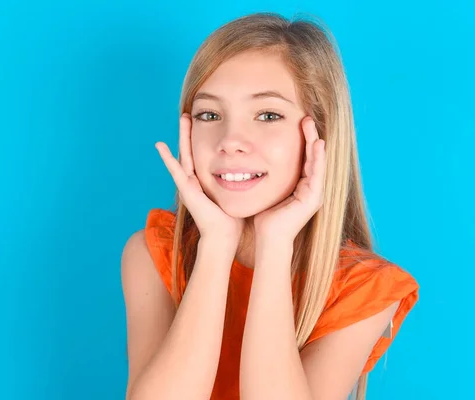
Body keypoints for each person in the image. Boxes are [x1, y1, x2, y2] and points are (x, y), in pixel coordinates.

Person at [121, 11, 419, 400]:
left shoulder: (363, 287)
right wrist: (216, 245)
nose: (231, 140)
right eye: (210, 114)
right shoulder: (152, 253)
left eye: (268, 115)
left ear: (320, 137)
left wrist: (276, 244)